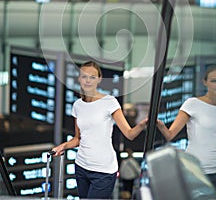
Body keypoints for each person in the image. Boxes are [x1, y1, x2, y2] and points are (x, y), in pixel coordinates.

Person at [52, 60, 148, 199]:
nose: (88, 81)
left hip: (104, 171)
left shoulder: (110, 102)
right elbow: (78, 138)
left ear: (99, 79)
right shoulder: (77, 105)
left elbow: (129, 134)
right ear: (79, 78)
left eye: (92, 77)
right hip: (81, 167)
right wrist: (63, 146)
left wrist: (143, 124)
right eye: (84, 76)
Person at [157, 64, 216, 197]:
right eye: (214, 81)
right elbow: (170, 135)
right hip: (195, 170)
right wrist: (158, 124)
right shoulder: (192, 104)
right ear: (205, 82)